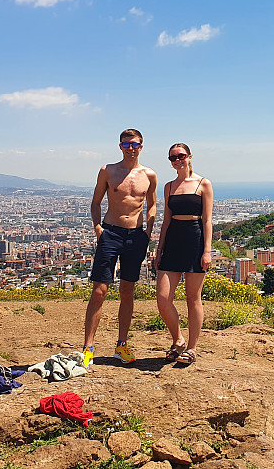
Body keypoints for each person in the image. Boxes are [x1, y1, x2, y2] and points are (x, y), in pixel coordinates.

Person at [82, 128, 158, 367]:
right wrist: (97, 228)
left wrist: (148, 231)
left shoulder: (149, 175)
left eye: (134, 144)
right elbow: (96, 202)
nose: (131, 148)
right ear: (120, 146)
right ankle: (88, 348)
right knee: (99, 290)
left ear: (142, 146)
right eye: (126, 144)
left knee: (127, 290)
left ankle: (121, 344)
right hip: (111, 232)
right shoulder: (108, 171)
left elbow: (152, 205)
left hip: (136, 236)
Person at [155, 143, 213, 365]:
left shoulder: (203, 183)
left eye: (180, 156)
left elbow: (207, 220)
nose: (177, 160)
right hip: (173, 240)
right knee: (163, 298)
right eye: (172, 158)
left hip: (195, 239)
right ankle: (177, 339)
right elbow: (166, 220)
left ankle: (192, 347)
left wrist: (207, 250)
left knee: (193, 297)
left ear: (189, 157)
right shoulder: (169, 186)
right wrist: (159, 250)